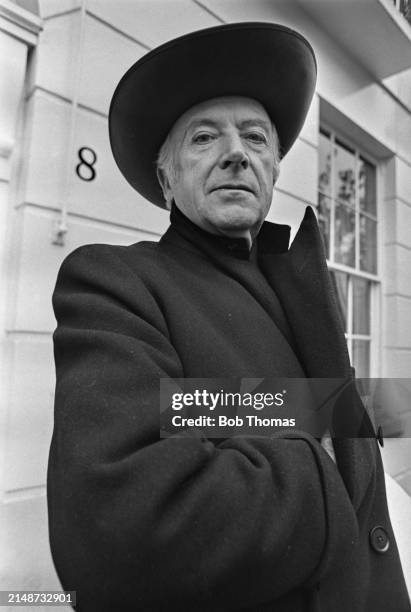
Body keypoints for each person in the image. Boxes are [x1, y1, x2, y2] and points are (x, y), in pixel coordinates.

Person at [47, 23, 410, 612]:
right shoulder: (117, 282)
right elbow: (119, 531)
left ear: (272, 168)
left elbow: (303, 409)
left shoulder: (298, 286)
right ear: (167, 178)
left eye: (256, 138)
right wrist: (326, 469)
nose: (236, 152)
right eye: (203, 137)